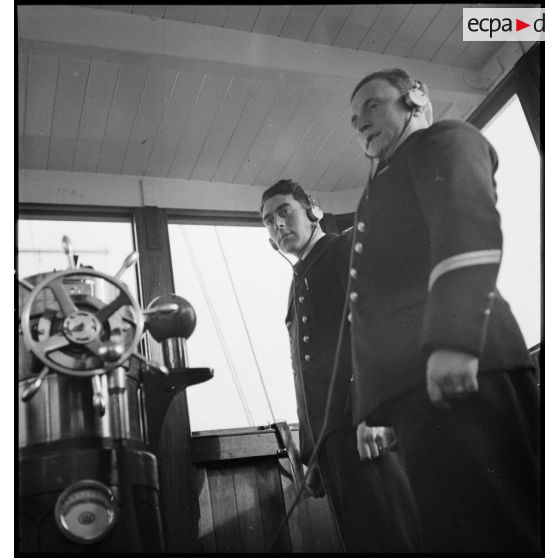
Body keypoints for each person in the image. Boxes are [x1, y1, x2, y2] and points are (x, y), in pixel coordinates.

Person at [347, 68, 541, 552]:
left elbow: (465, 225)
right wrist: (376, 404)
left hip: (465, 366)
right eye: (355, 119)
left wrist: (454, 340)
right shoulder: (383, 185)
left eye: (372, 105)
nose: (361, 123)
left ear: (415, 96)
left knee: (506, 525)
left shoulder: (441, 140)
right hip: (418, 385)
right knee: (460, 533)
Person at [260, 179, 424, 552]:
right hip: (332, 444)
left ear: (313, 211)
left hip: (365, 427)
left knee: (396, 537)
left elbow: (380, 326)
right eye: (268, 220)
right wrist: (311, 453)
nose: (277, 225)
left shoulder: (342, 249)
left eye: (285, 211)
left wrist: (374, 410)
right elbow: (303, 374)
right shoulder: (298, 280)